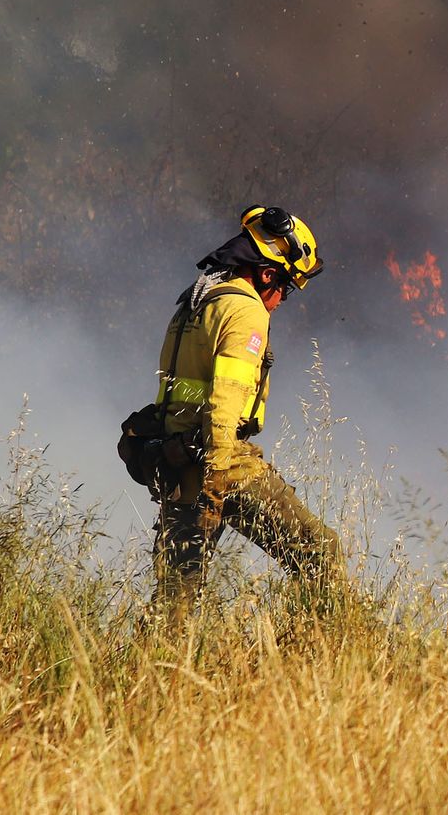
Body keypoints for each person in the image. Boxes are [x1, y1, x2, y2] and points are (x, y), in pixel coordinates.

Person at [125, 204, 346, 631]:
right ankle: (330, 658)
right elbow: (226, 398)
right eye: (286, 287)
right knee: (321, 550)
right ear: (267, 274)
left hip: (177, 459)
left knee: (177, 594)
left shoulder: (193, 303)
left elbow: (180, 391)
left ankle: (151, 678)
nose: (282, 300)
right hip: (218, 462)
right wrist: (215, 478)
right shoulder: (246, 311)